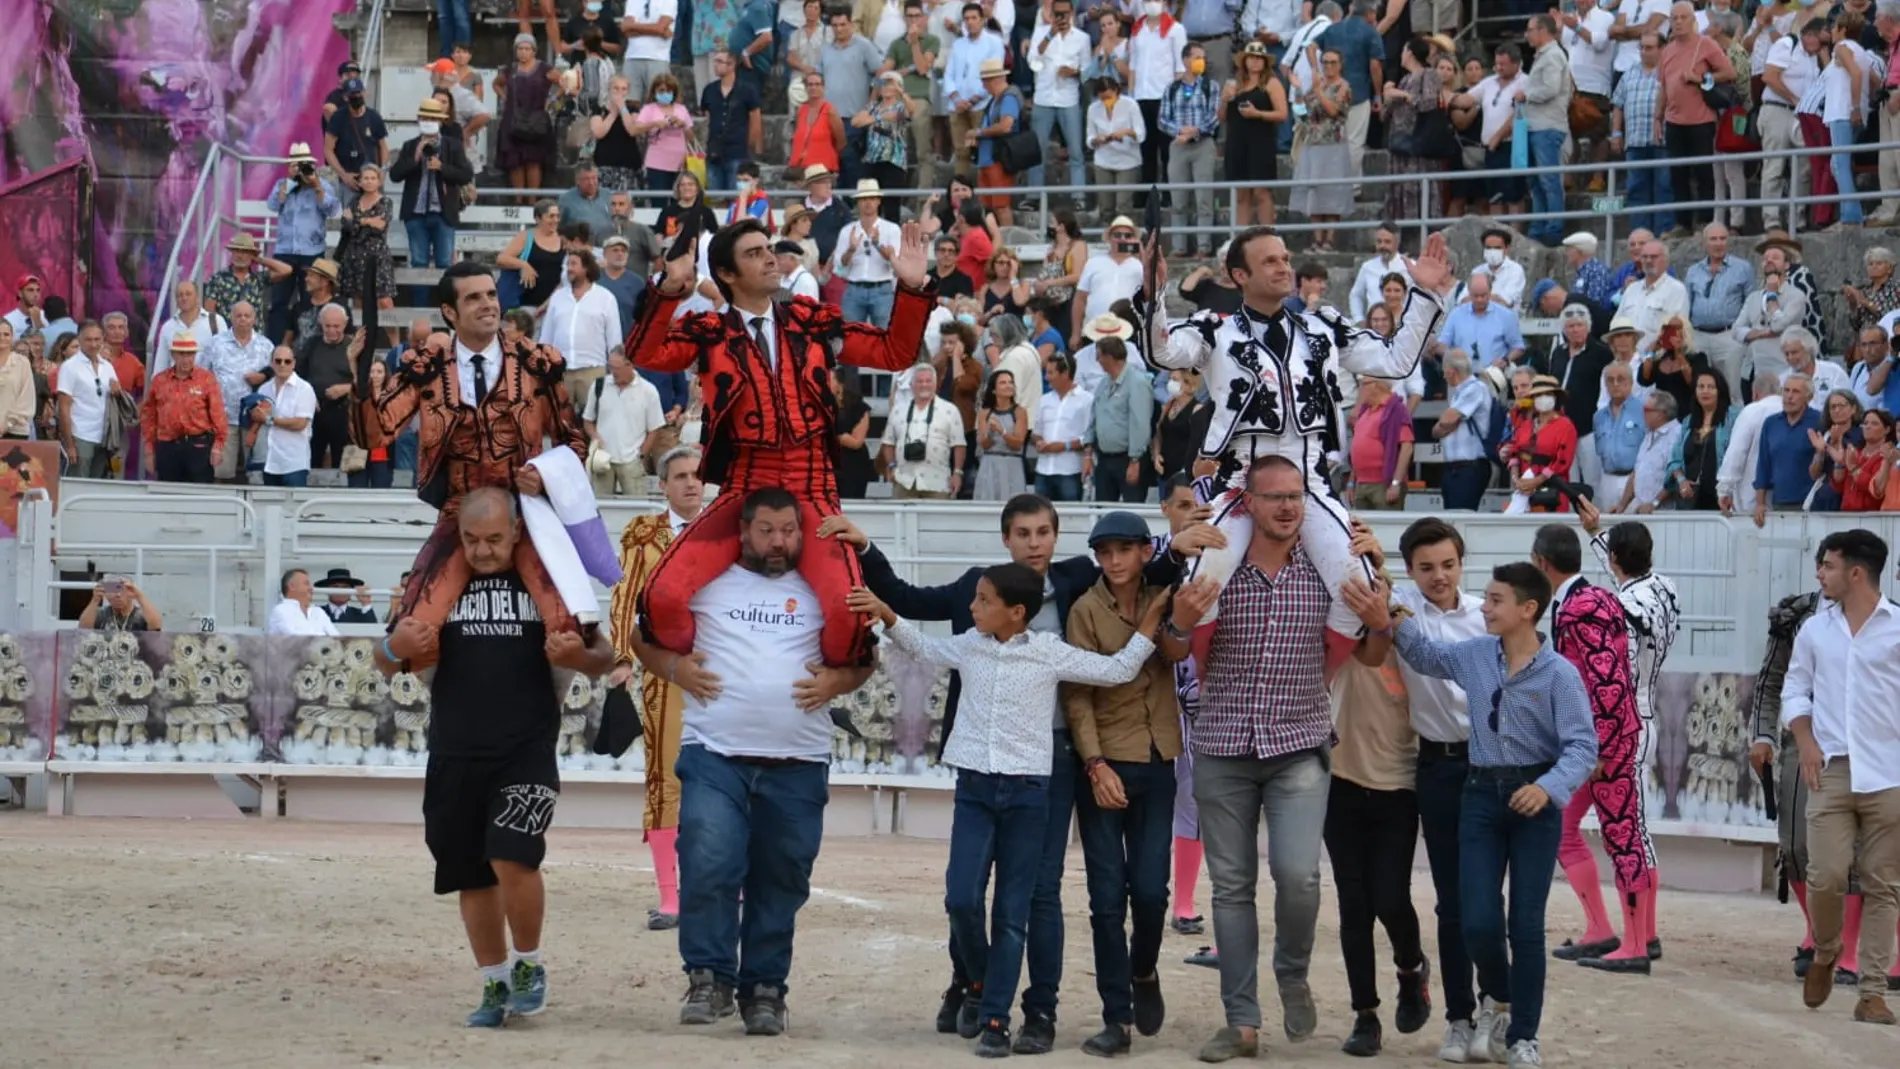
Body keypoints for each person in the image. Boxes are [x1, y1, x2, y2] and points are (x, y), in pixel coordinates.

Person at [830, 494, 1202, 1050]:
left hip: (1047, 766)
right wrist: (867, 551)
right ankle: (972, 983)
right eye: (1022, 533)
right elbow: (911, 607)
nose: (1033, 543)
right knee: (967, 894)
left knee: (1039, 894)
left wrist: (1173, 556)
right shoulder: (976, 609)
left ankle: (1038, 1011)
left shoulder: (1078, 582)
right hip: (985, 771)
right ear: (1006, 539)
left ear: (1056, 537)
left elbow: (1134, 572)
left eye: (1043, 532)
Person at [1156, 456, 1388, 1063]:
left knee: (1299, 876)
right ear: (1249, 503)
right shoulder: (1218, 565)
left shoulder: (1329, 569)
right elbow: (1176, 646)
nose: (1288, 506)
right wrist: (1176, 624)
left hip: (1298, 746)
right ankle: (1241, 1022)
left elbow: (1368, 655)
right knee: (1231, 889)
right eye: (1274, 497)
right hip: (1222, 745)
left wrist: (1381, 623)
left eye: (1296, 496)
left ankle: (1290, 971)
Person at [625, 217, 932, 669]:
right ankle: (717, 678)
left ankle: (814, 690)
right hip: (745, 489)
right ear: (726, 275)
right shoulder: (710, 331)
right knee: (663, 596)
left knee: (848, 621)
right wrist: (670, 287)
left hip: (814, 488)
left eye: (768, 248)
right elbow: (645, 353)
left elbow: (894, 353)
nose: (770, 257)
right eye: (753, 253)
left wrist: (910, 287)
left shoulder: (810, 322)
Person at [621, 488, 871, 1034]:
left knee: (782, 878)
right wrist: (674, 668)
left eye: (788, 530)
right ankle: (709, 978)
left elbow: (862, 661)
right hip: (715, 754)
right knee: (710, 862)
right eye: (766, 530)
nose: (779, 541)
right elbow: (642, 640)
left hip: (800, 759)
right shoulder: (706, 584)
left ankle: (765, 989)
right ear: (744, 531)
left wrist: (839, 680)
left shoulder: (823, 589)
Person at [376, 487, 613, 1027]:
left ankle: (528, 965)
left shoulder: (547, 582)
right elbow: (385, 660)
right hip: (454, 751)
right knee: (471, 875)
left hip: (525, 749)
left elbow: (606, 656)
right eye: (471, 540)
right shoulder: (439, 587)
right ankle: (494, 981)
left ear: (517, 533)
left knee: (513, 854)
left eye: (494, 539)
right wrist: (395, 650)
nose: (482, 551)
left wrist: (578, 655)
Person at [1145, 226, 1449, 644]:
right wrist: (1153, 294)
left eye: (1285, 258)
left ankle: (1319, 686)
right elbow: (1160, 351)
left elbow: (1395, 359)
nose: (1283, 266)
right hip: (1239, 480)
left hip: (1311, 479)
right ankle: (1202, 693)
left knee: (1358, 586)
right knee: (1201, 583)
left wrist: (1426, 295)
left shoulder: (1323, 326)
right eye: (1270, 260)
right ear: (1239, 276)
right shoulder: (1214, 330)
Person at [1356, 559, 1597, 1068]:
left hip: (1535, 801)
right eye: (1485, 598)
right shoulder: (1475, 655)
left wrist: (1548, 787)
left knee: (1525, 924)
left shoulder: (1561, 673)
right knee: (1478, 920)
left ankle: (1523, 1035)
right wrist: (1387, 597)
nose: (1483, 608)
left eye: (1494, 601)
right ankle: (1500, 998)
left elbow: (1581, 747)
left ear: (1528, 610)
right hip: (1481, 794)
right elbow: (1422, 652)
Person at [355, 262, 589, 661]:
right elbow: (373, 436)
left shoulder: (535, 364)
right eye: (474, 297)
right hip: (457, 514)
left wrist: (546, 475)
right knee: (411, 635)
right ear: (450, 312)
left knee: (572, 634)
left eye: (491, 295)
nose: (487, 305)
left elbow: (574, 441)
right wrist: (361, 377)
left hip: (525, 514)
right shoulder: (426, 369)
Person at [1522, 521, 1658, 977]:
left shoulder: (1581, 607)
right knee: (1563, 825)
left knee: (1622, 836)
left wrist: (1599, 749)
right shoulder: (1589, 599)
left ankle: (1636, 945)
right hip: (1593, 742)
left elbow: (1607, 681)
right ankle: (1601, 929)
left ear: (1541, 563)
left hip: (1603, 745)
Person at [1378, 518, 1492, 1062]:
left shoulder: (1487, 617)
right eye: (1426, 568)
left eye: (1448, 565)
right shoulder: (1402, 608)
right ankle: (1458, 1017)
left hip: (1490, 765)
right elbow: (1368, 575)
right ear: (1411, 571)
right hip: (1437, 768)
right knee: (1450, 901)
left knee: (1485, 897)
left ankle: (1495, 1005)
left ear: (1461, 563)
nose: (1439, 576)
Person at [1780, 528, 1900, 1025]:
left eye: (1827, 565)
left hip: (1890, 773)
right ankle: (1827, 949)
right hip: (1828, 768)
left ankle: (1872, 992)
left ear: (1855, 572)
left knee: (1884, 885)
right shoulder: (1813, 630)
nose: (1819, 574)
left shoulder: (1898, 628)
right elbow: (1795, 689)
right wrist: (1803, 739)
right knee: (1824, 875)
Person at [607, 447, 704, 931]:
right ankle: (671, 898)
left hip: (724, 670)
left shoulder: (726, 529)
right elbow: (625, 595)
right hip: (666, 671)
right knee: (665, 780)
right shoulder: (644, 534)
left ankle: (736, 887)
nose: (690, 483)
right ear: (663, 485)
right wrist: (623, 658)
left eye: (697, 476)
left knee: (733, 777)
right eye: (680, 476)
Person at [1752, 373, 1823, 526]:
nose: (1789, 396)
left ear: (1808, 397)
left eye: (1796, 392)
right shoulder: (1771, 423)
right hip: (1780, 502)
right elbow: (1763, 465)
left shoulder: (1819, 421)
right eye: (1786, 390)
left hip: (1812, 503)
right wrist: (1760, 503)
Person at [1434, 349, 1496, 510]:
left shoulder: (1475, 388)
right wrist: (1448, 423)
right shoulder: (1459, 393)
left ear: (1451, 371)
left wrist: (1448, 422)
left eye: (1444, 372)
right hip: (1454, 469)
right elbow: (1437, 430)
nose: (1443, 376)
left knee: (1461, 516)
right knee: (1451, 518)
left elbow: (1447, 420)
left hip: (1469, 468)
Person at [1032, 352, 1093, 502]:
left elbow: (1089, 436)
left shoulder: (1086, 400)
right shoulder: (1044, 400)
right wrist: (1039, 441)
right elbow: (1036, 431)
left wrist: (1063, 446)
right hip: (1043, 470)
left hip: (1070, 471)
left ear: (1065, 373)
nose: (1047, 378)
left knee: (1072, 519)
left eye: (1051, 373)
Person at [1348, 377, 1414, 510]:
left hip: (1384, 484)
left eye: (1363, 385)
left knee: (1387, 528)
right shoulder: (1365, 412)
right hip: (1361, 483)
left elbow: (1406, 447)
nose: (1360, 390)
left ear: (1375, 386)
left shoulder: (1396, 410)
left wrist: (1395, 483)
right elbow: (1357, 451)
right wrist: (1351, 483)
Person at [973, 369, 1029, 501]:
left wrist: (1002, 431)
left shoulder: (1020, 412)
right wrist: (988, 433)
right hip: (990, 464)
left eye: (1010, 382)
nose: (1008, 385)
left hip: (1012, 464)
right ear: (994, 390)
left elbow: (1018, 443)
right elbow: (985, 444)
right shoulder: (984, 413)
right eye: (1003, 383)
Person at [266, 568, 341, 636]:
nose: (311, 588)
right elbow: (296, 640)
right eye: (306, 583)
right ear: (292, 586)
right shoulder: (281, 610)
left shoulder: (318, 612)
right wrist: (323, 637)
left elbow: (337, 638)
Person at [79, 576, 161, 633]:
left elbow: (156, 627)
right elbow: (83, 629)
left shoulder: (142, 615)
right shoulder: (100, 614)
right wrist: (95, 600)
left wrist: (139, 596)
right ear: (106, 595)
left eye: (123, 590)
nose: (118, 595)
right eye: (113, 590)